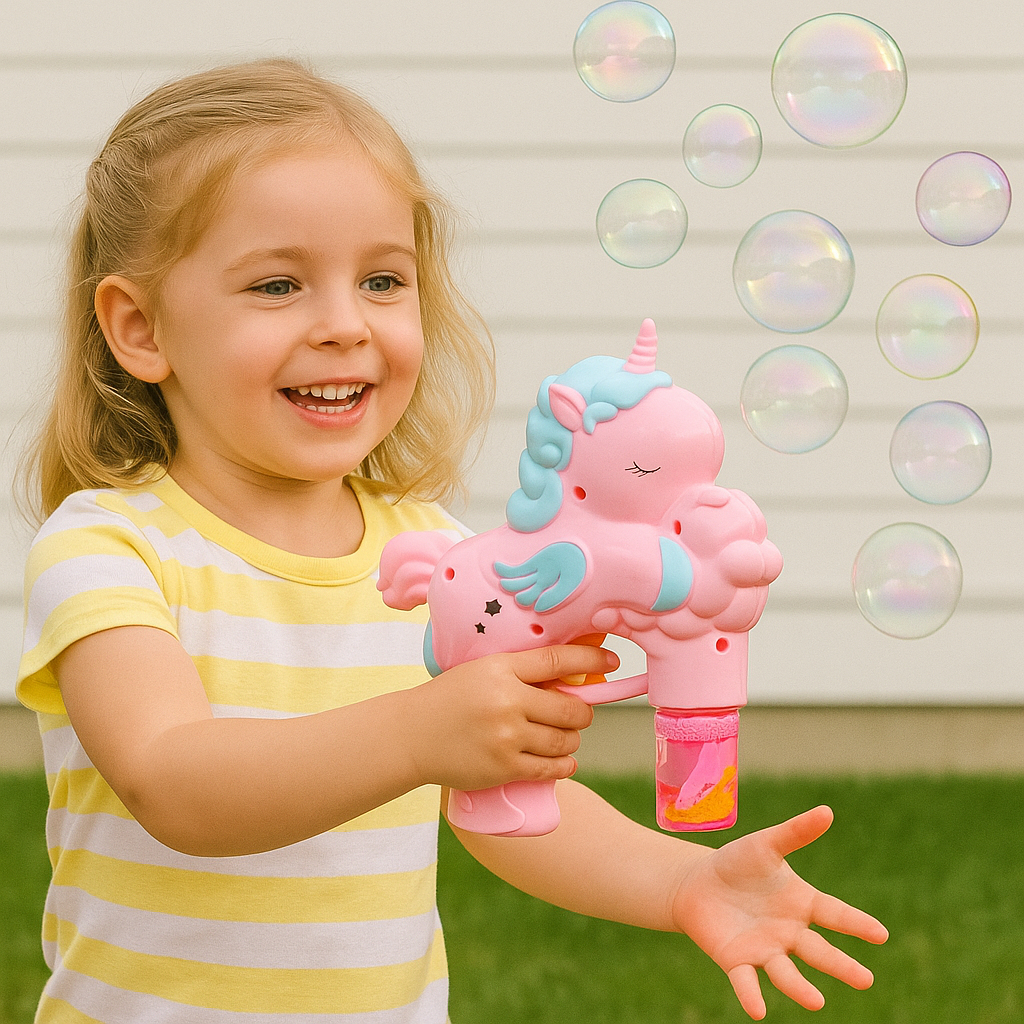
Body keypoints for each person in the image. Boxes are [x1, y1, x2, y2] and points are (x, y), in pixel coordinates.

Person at [15, 57, 887, 1024]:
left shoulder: (442, 559)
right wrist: (424, 730)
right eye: (278, 284)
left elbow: (512, 807)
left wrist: (684, 882)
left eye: (382, 280)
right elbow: (175, 784)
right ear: (140, 328)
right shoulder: (107, 549)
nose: (345, 325)